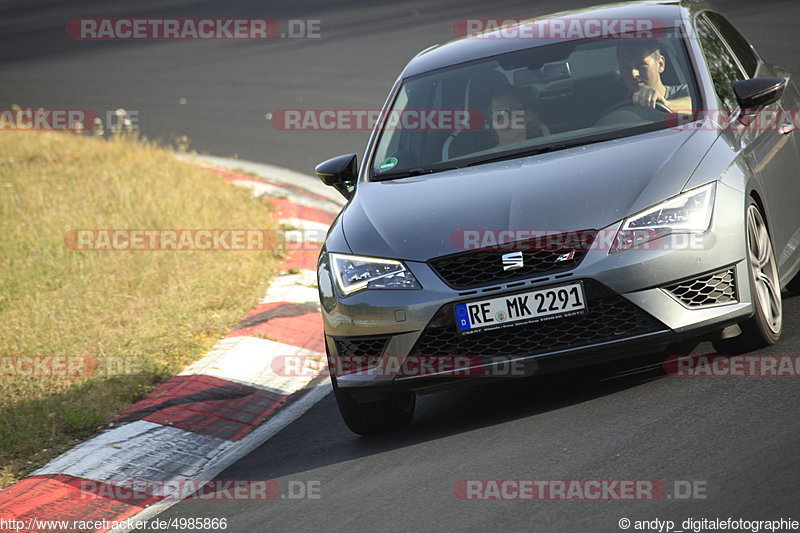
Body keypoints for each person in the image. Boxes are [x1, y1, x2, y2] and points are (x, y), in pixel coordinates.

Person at [616, 40, 693, 114]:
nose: (633, 74)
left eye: (641, 65)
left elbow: (697, 105)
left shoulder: (685, 92)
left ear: (660, 64)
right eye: (626, 66)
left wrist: (664, 104)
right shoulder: (617, 107)